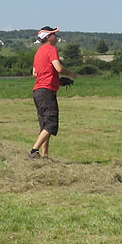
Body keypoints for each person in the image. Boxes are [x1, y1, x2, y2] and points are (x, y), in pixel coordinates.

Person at [29, 27, 75, 159]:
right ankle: (33, 152)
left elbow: (35, 73)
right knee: (51, 124)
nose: (57, 36)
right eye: (54, 34)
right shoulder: (51, 49)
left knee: (44, 125)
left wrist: (56, 81)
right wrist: (70, 73)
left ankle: (45, 155)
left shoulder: (38, 52)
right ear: (48, 37)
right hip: (46, 91)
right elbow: (59, 68)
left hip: (38, 91)